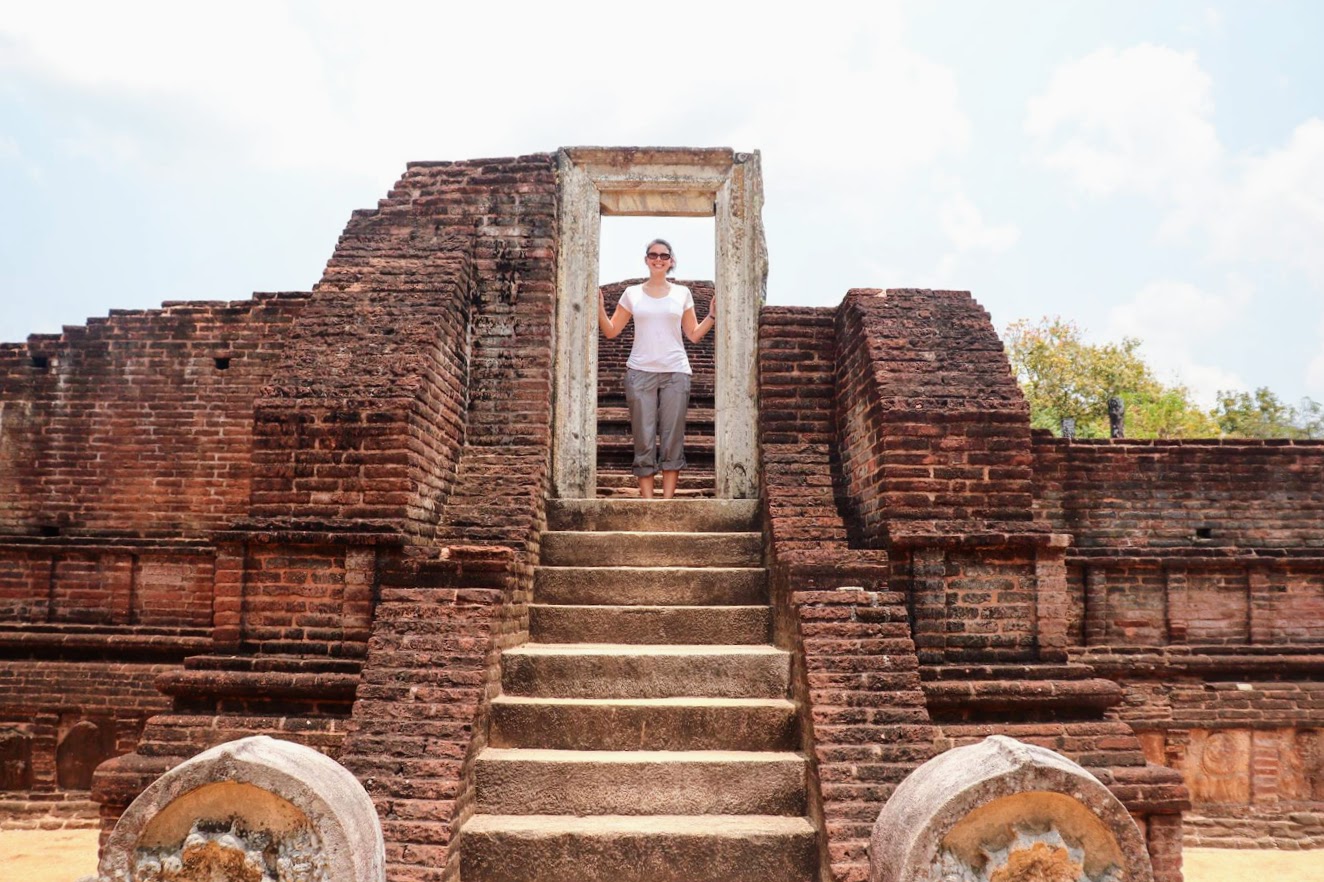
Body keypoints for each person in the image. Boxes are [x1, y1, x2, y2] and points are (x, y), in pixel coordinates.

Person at [598, 238, 716, 499]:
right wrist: (597, 307)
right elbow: (611, 330)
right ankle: (649, 502)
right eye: (653, 255)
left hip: (676, 371)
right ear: (646, 259)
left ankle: (666, 501)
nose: (659, 259)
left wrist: (712, 316)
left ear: (671, 261)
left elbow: (693, 335)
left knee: (673, 436)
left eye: (664, 255)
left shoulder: (682, 293)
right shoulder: (632, 293)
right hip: (640, 372)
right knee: (644, 437)